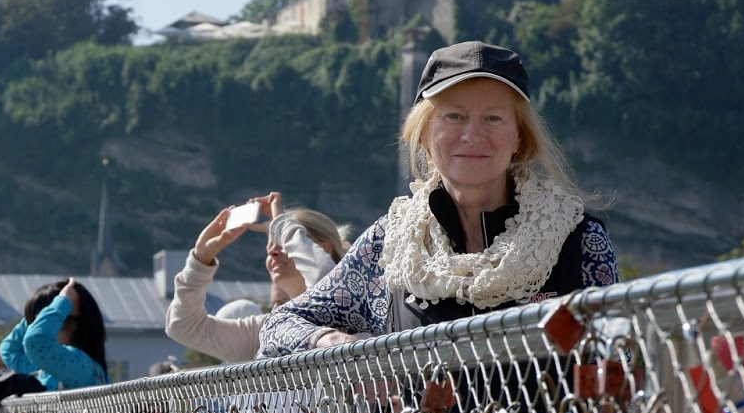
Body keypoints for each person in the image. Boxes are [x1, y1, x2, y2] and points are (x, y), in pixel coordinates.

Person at [260, 41, 618, 354]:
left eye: (493, 118)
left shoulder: (578, 239)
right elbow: (279, 325)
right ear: (424, 134)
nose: (472, 134)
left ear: (519, 138)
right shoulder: (388, 246)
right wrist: (335, 343)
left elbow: (620, 353)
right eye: (454, 116)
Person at [166, 191, 349, 362]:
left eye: (283, 243)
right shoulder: (265, 329)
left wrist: (282, 224)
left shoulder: (350, 307)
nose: (273, 252)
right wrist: (200, 260)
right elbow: (183, 326)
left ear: (323, 250)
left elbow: (325, 281)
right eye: (270, 247)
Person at [1, 279, 109, 390]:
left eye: (42, 319)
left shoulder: (79, 364)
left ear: (73, 325)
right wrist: (33, 313)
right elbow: (9, 352)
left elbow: (35, 342)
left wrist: (63, 301)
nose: (36, 325)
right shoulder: (52, 363)